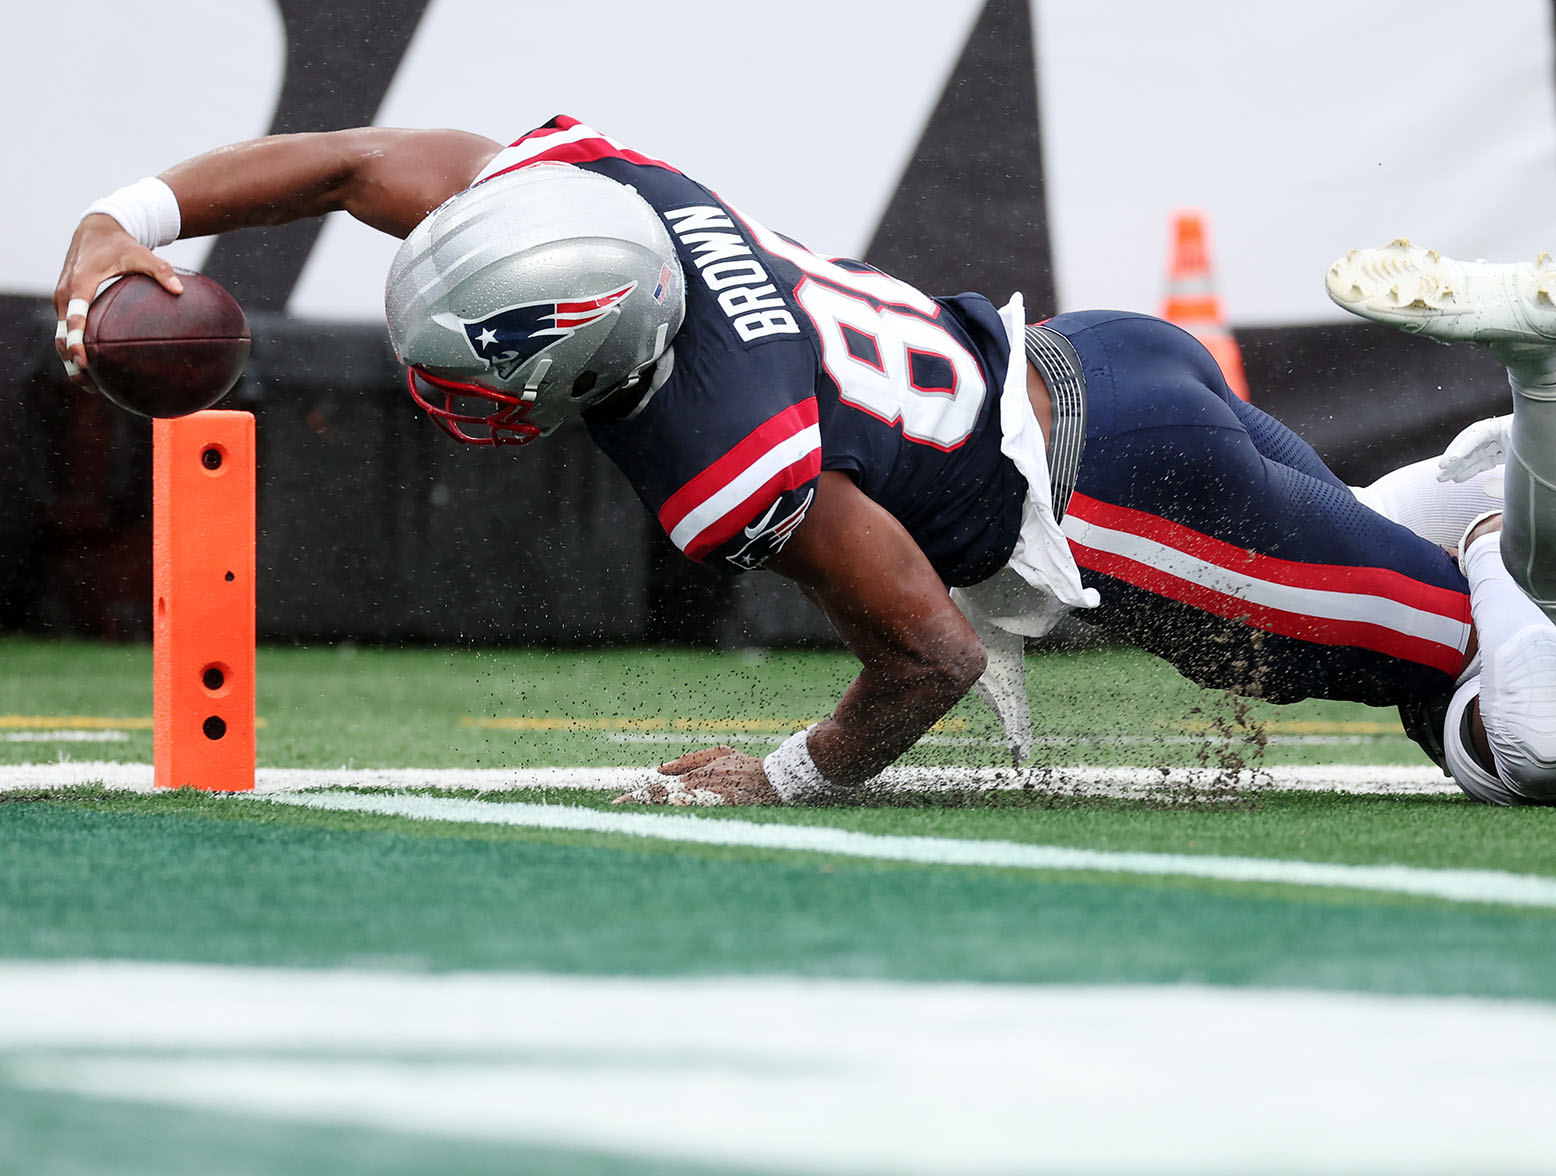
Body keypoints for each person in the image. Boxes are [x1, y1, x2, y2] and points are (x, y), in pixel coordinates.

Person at [50, 117, 1553, 806]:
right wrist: (127, 220)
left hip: (1122, 500)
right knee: (1375, 589)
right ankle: (1485, 500)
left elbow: (930, 653)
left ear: (585, 345)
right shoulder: (594, 198)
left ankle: (1517, 465)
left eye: (484, 373)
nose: (456, 397)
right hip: (1103, 364)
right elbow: (347, 163)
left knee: (1508, 738)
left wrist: (779, 777)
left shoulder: (718, 448)